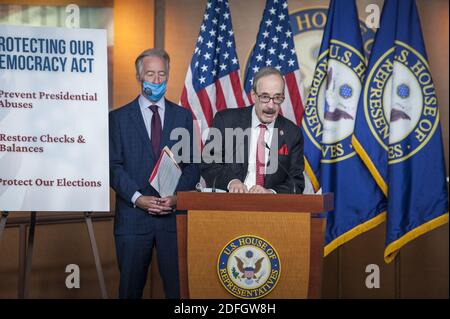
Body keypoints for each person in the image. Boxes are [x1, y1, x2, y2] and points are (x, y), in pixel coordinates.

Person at [109, 48, 199, 299]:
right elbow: (113, 167)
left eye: (162, 74)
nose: (157, 80)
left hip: (172, 219)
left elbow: (193, 165)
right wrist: (138, 198)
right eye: (150, 74)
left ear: (168, 75)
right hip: (133, 219)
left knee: (178, 291)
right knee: (129, 290)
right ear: (139, 76)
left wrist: (177, 198)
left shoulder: (183, 117)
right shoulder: (118, 118)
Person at [200, 67, 304, 194]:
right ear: (254, 96)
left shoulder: (292, 133)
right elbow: (208, 163)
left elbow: (296, 182)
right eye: (265, 97)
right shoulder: (226, 121)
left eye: (277, 98)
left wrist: (270, 193)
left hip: (270, 210)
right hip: (229, 204)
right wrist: (232, 182)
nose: (271, 106)